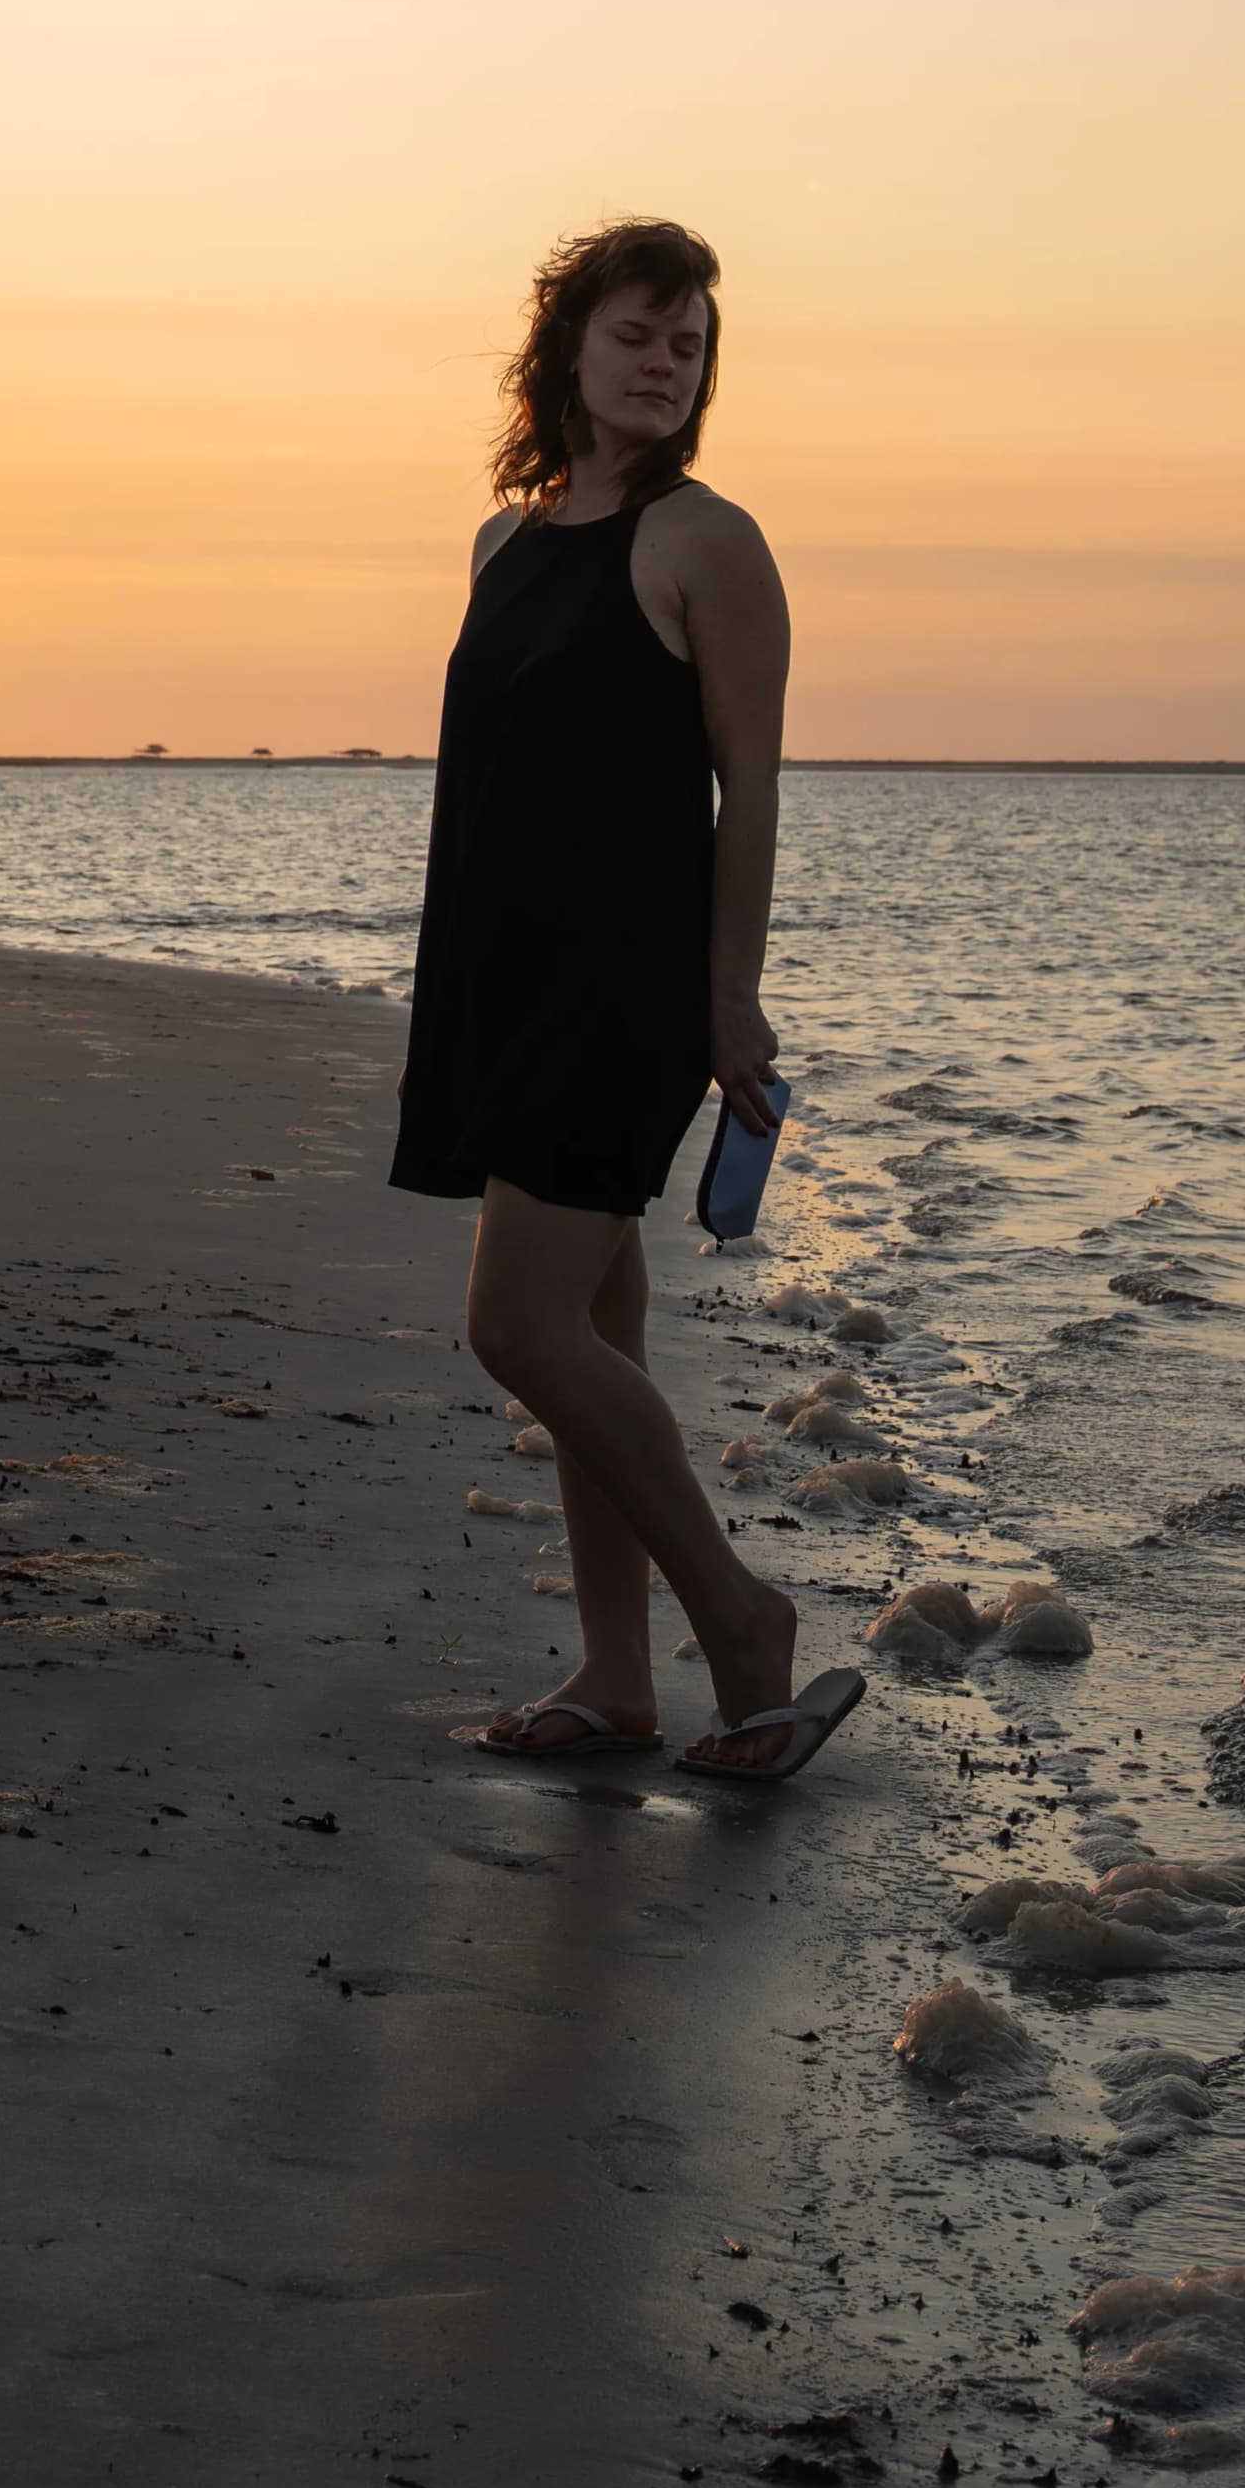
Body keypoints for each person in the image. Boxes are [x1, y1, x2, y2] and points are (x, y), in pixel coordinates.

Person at [392, 217, 862, 1787]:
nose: (666, 365)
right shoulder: (505, 542)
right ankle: (618, 1676)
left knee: (513, 1321)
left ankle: (742, 1625)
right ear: (569, 353)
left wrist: (731, 1000)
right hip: (503, 974)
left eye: (690, 345)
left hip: (624, 987)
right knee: (592, 1318)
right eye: (640, 337)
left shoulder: (707, 541)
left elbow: (753, 786)